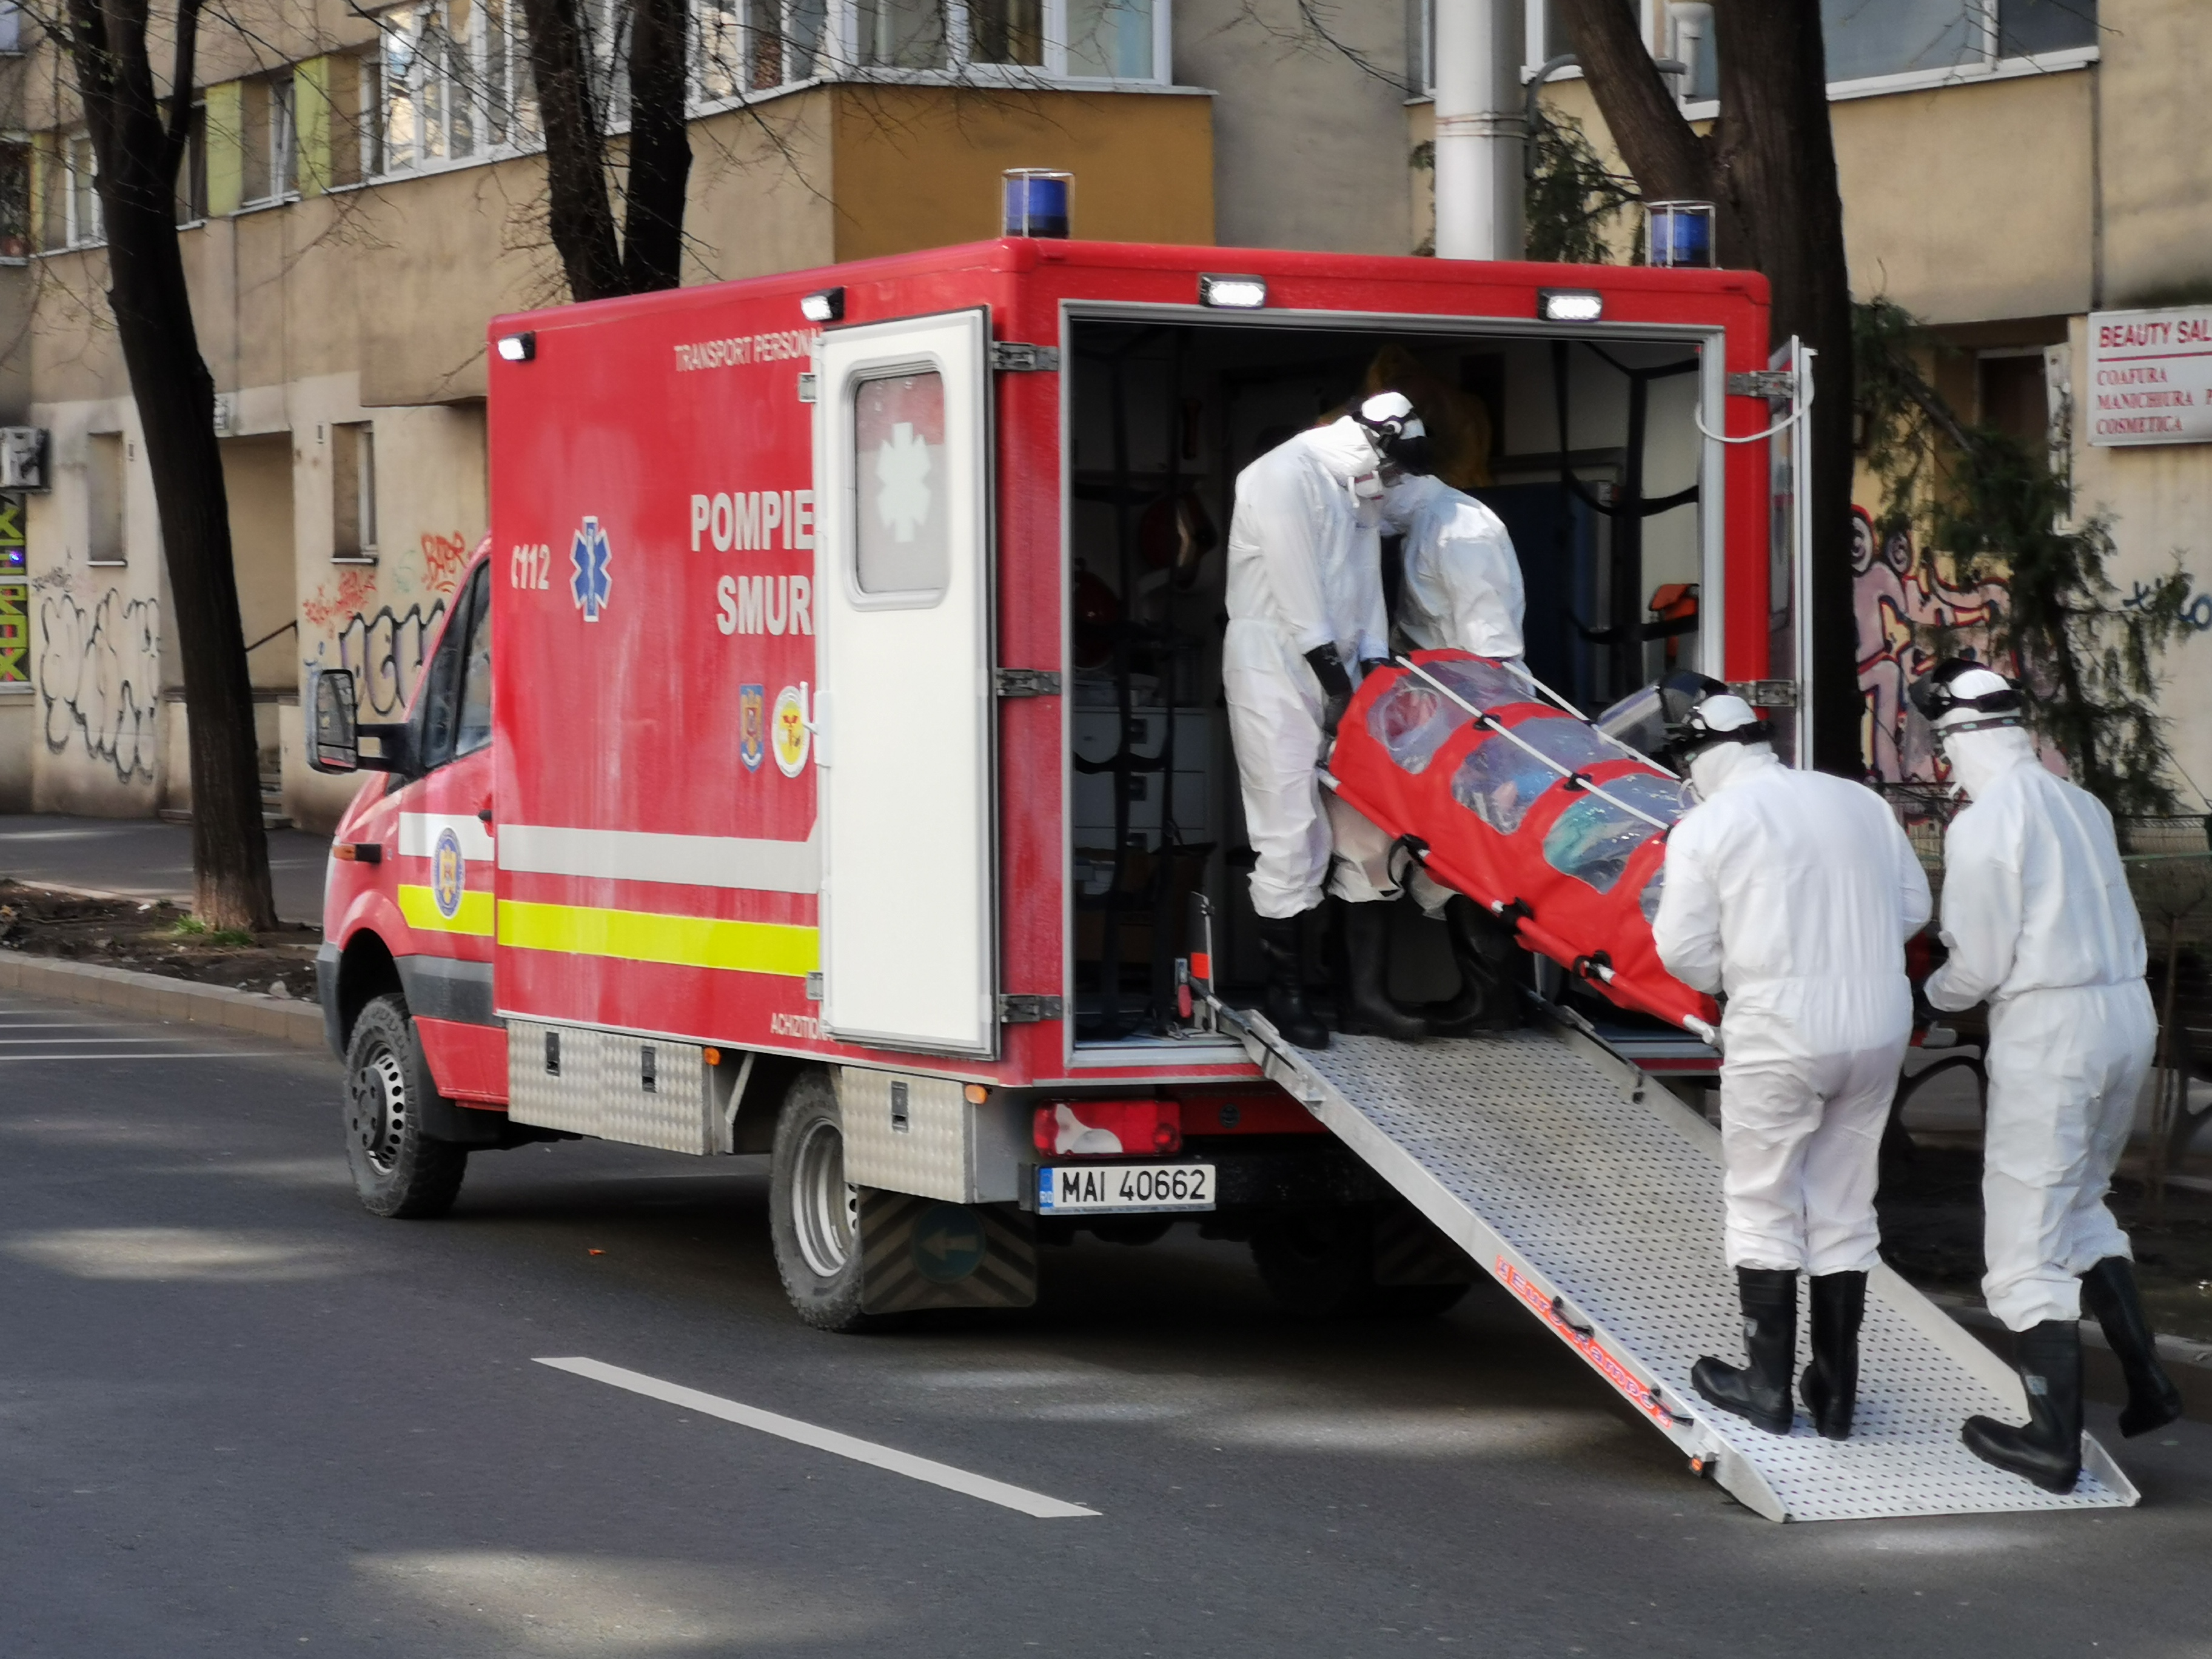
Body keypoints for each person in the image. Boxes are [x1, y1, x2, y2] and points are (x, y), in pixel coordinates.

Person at [1914, 660, 2182, 1493]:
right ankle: (2149, 1380)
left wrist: (1926, 996)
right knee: (2081, 1202)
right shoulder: (2081, 803)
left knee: (2023, 1237)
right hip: (2125, 1013)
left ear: (1956, 739)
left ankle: (2051, 1443)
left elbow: (1980, 963)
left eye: (1941, 746)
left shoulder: (1986, 823)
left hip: (2052, 1027)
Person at [1647, 677, 1931, 1439]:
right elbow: (1914, 907)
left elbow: (1681, 950)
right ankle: (1835, 1394)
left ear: (1698, 752)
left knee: (1764, 1199)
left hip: (1780, 1026)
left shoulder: (1708, 825)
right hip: (1877, 1023)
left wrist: (1742, 976)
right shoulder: (1857, 802)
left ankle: (1766, 1387)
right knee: (1845, 1201)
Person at [1224, 392, 1434, 1050]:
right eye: (1393, 467)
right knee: (1290, 826)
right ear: (1374, 439)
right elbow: (1299, 598)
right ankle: (1286, 994)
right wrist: (1339, 687)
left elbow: (1366, 583)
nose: (1392, 481)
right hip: (1274, 661)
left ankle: (1359, 996)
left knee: (1363, 824)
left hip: (1339, 662)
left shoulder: (1359, 482)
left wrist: (1373, 665)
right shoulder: (1279, 475)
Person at [1381, 471, 1527, 1033]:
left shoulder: (1459, 529)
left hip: (1475, 709)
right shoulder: (1431, 523)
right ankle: (1485, 996)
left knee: (1477, 850)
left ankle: (1490, 999)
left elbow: (1491, 643)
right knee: (1458, 848)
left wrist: (1482, 734)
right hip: (1450, 706)